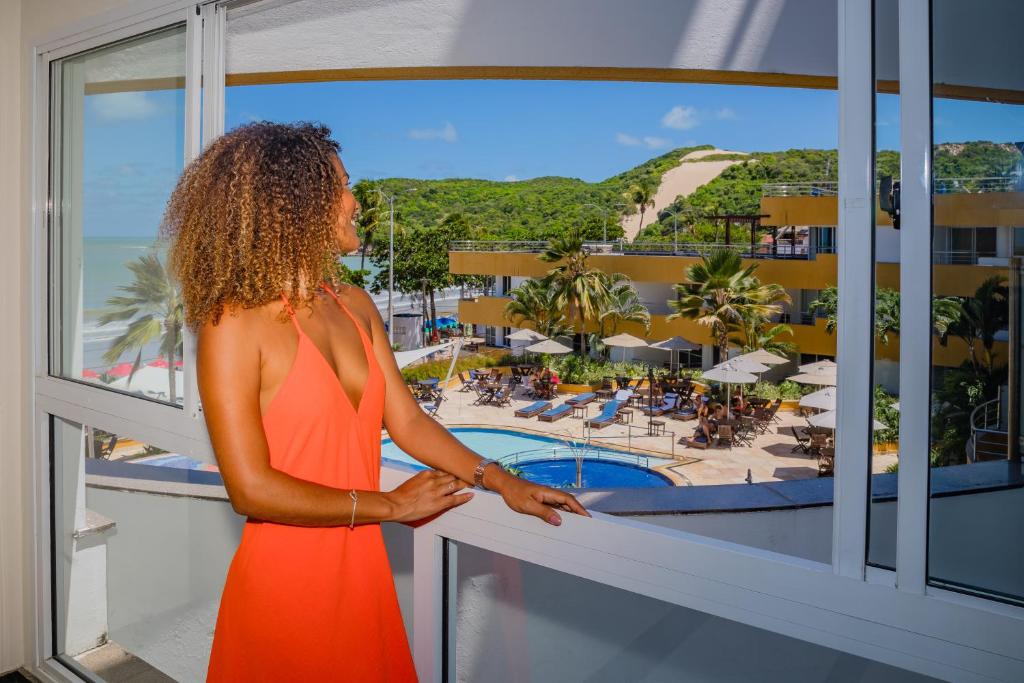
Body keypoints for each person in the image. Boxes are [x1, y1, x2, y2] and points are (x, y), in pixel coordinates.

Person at [164, 122, 590, 681]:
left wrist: (500, 479)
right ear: (294, 203)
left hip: (362, 571)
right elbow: (251, 488)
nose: (355, 201)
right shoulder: (233, 325)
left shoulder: (355, 304)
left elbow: (407, 420)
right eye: (342, 186)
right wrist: (390, 506)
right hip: (286, 586)